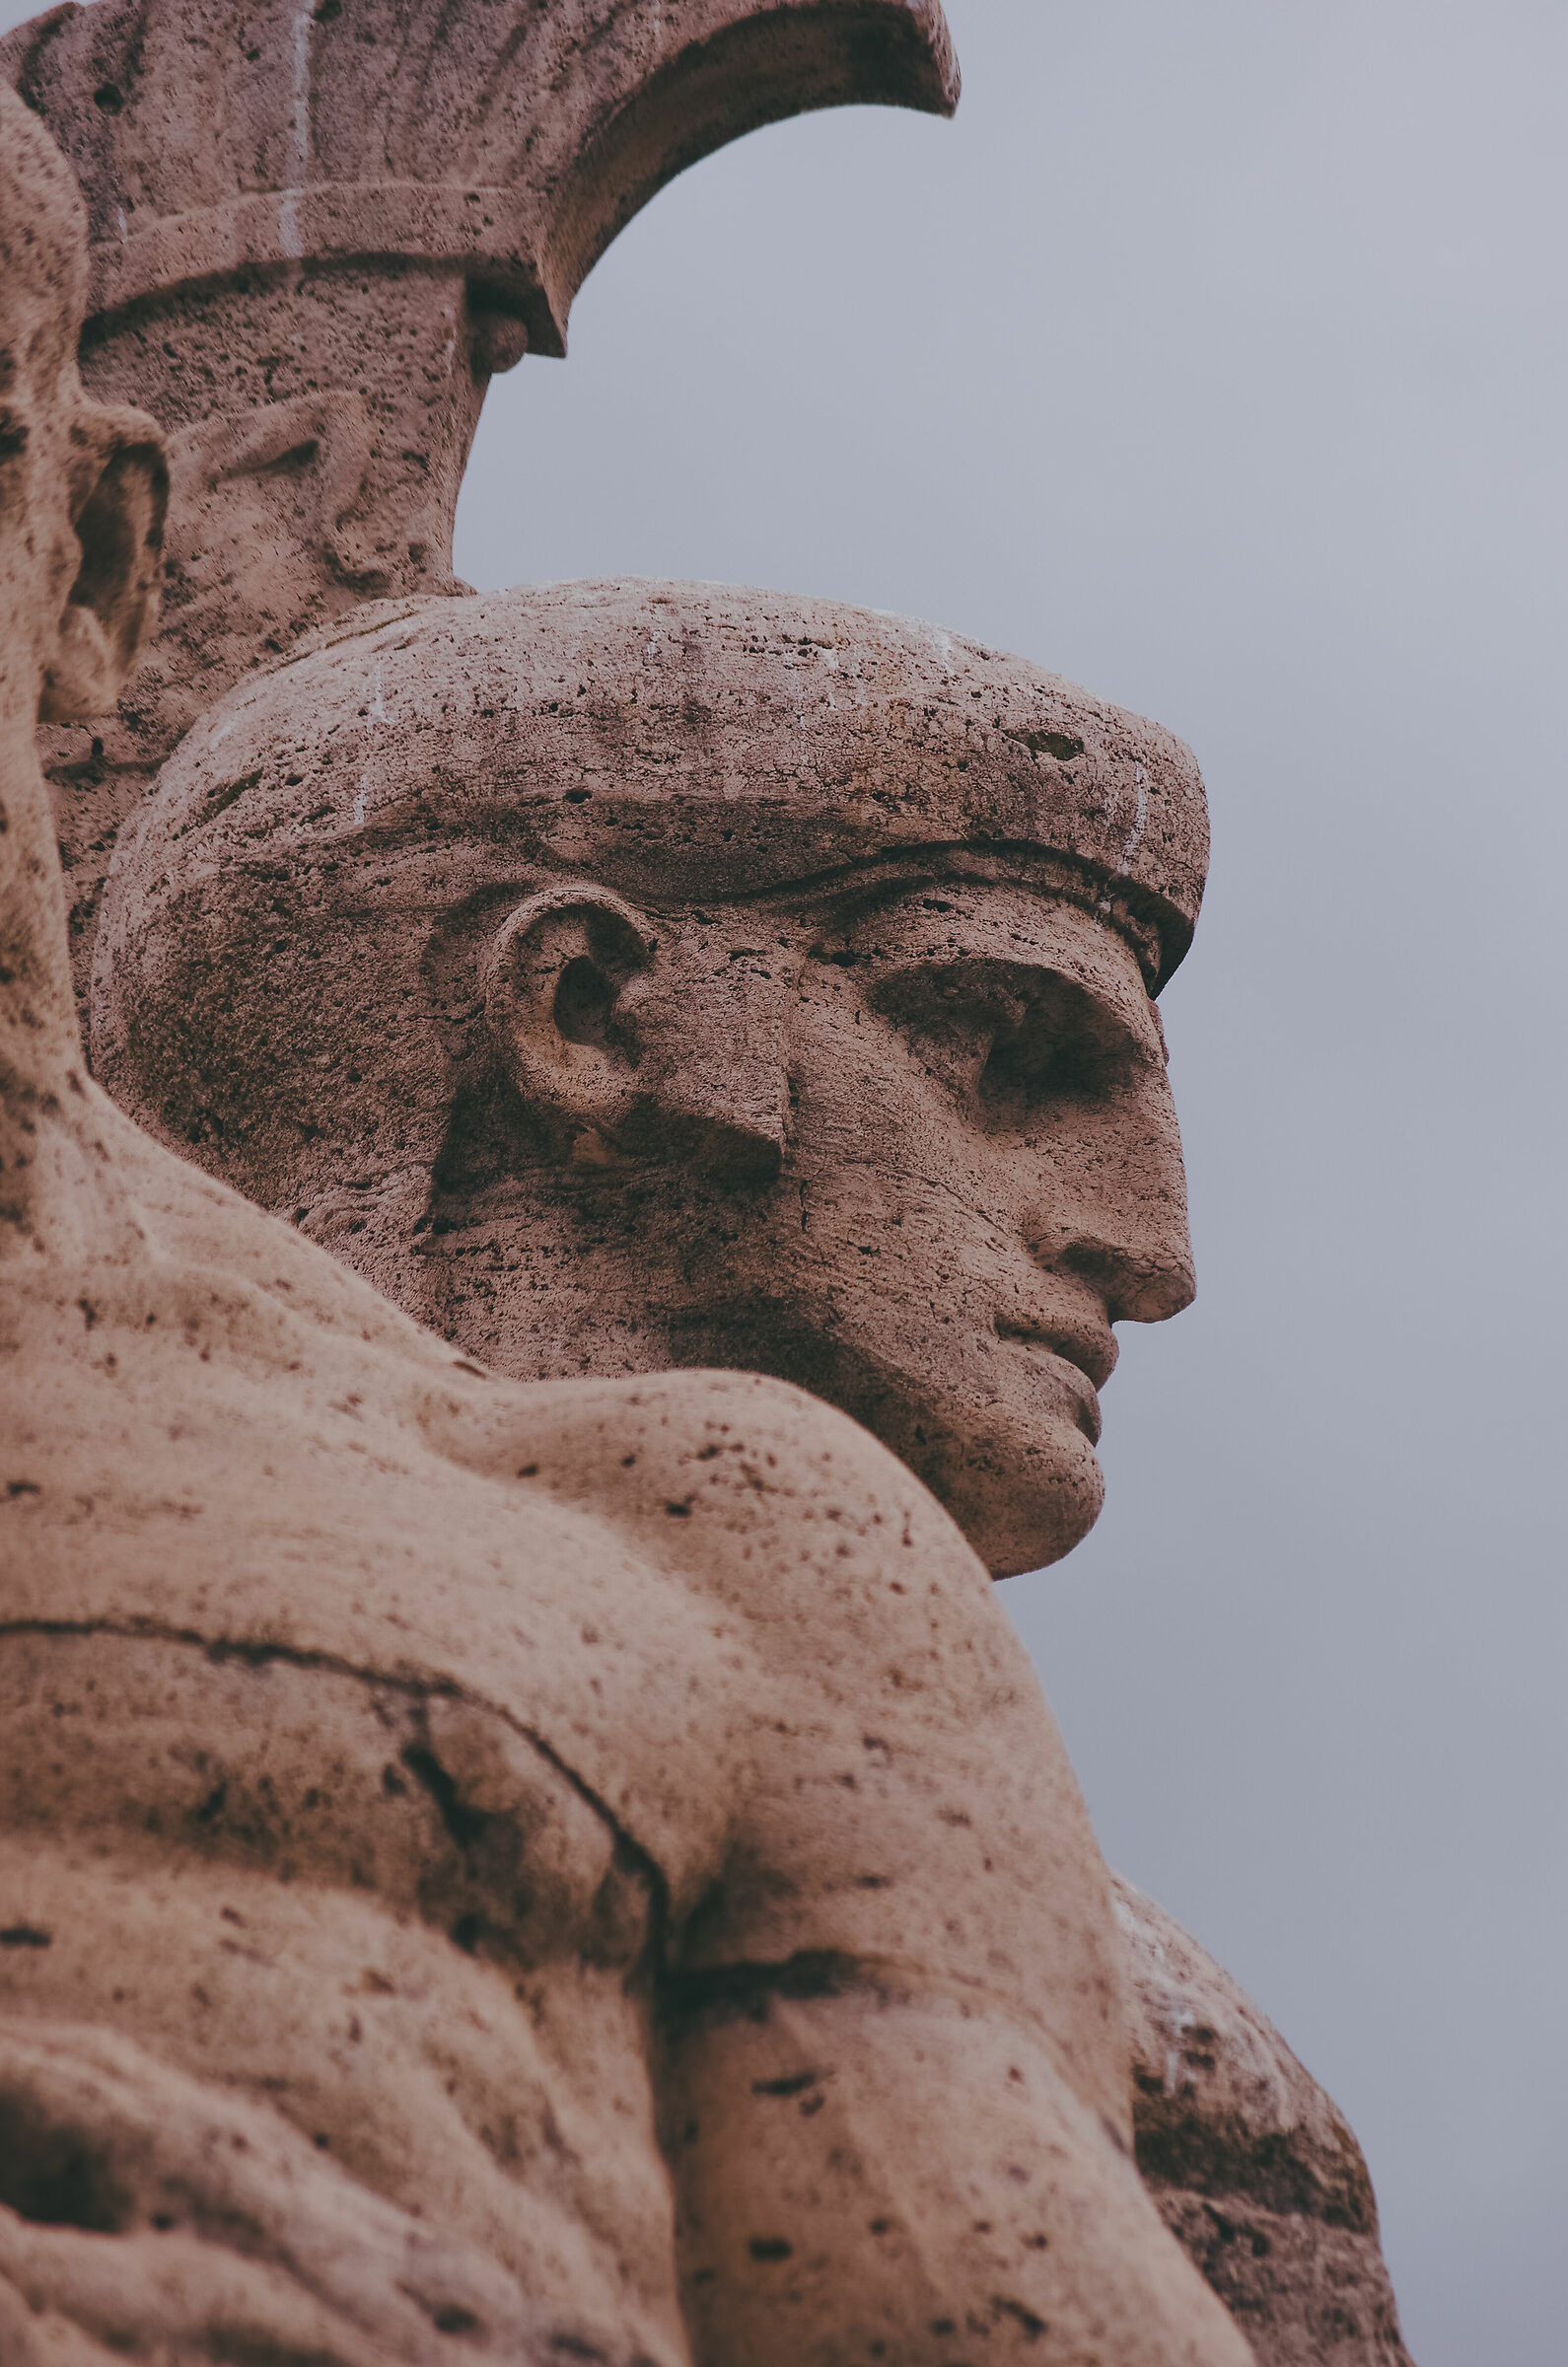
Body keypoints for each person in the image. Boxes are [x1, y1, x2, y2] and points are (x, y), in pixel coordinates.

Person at [0, 85, 1249, 2367]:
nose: (1155, 1251)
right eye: (1001, 1044)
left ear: (86, 559)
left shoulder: (731, 1571)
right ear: (579, 1006)